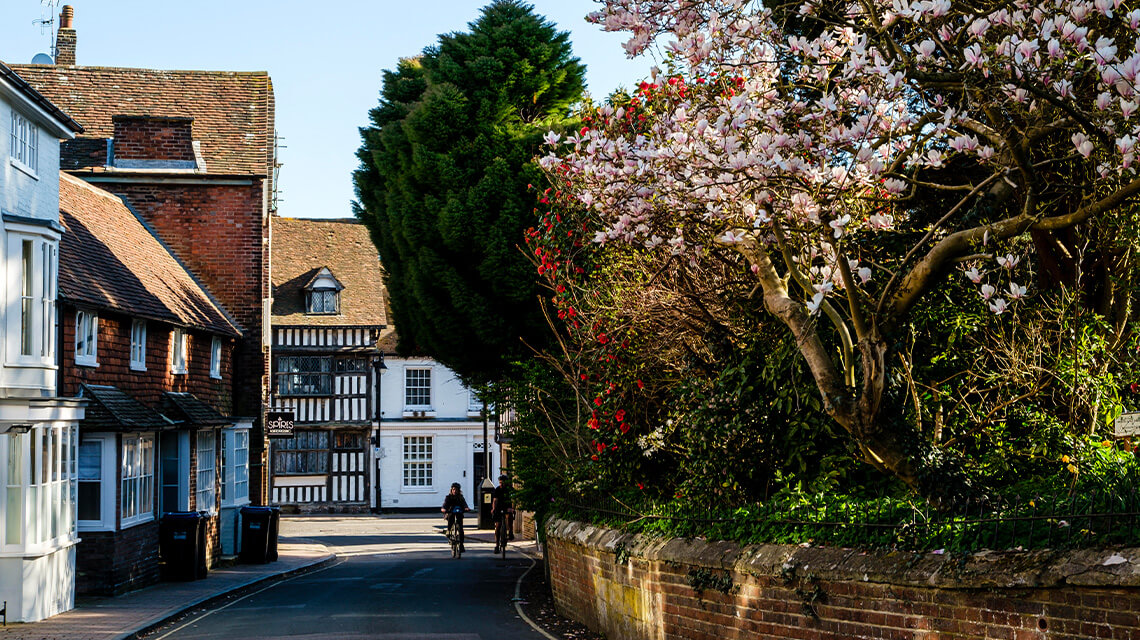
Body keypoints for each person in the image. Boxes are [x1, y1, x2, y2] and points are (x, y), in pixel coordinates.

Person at [441, 482, 470, 551]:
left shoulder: (461, 497)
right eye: (453, 489)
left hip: (459, 513)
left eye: (456, 489)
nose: (455, 491)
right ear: (451, 490)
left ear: (459, 490)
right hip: (451, 513)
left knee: (461, 529)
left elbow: (464, 504)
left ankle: (461, 544)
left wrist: (466, 508)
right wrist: (444, 509)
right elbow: (445, 504)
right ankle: (449, 530)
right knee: (450, 518)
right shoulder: (448, 497)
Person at [491, 474, 515, 550]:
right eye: (500, 482)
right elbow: (495, 500)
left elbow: (514, 499)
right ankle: (497, 545)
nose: (501, 484)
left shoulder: (510, 489)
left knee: (509, 517)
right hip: (499, 508)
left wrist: (513, 508)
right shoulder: (497, 489)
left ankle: (510, 531)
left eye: (503, 482)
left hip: (507, 507)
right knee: (497, 527)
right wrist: (493, 509)